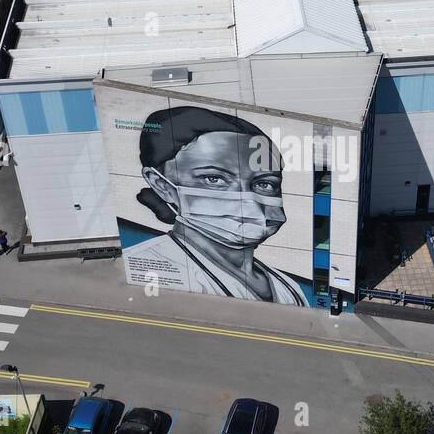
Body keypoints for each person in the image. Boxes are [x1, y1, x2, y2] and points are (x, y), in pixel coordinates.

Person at [121, 106, 308, 305]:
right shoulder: (154, 267)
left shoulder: (287, 286)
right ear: (161, 185)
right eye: (213, 179)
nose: (247, 200)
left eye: (264, 183)